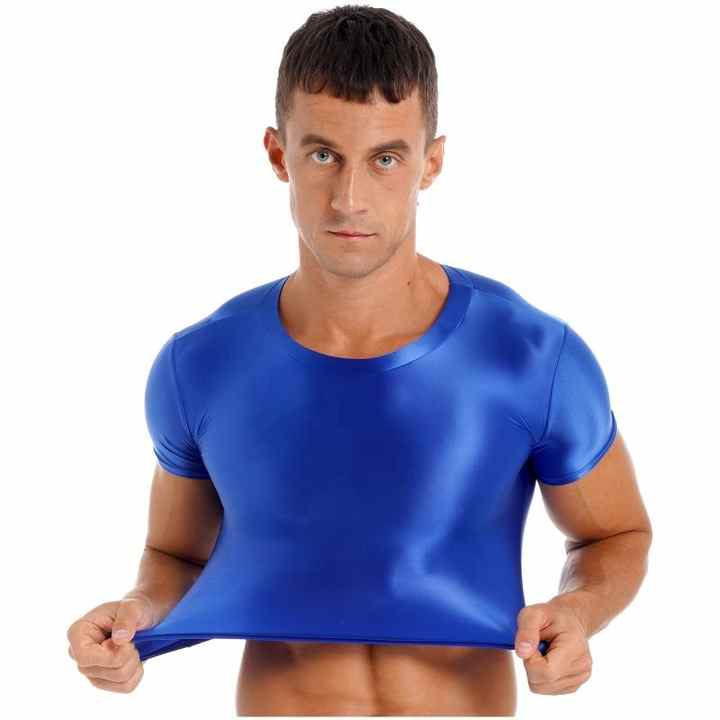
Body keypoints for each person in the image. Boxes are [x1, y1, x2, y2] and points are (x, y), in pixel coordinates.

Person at [66, 5, 653, 716]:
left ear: (430, 162)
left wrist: (578, 611)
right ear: (278, 154)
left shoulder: (531, 357)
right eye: (323, 155)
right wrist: (135, 613)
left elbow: (615, 533)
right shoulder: (201, 365)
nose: (349, 199)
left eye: (385, 158)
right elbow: (177, 556)